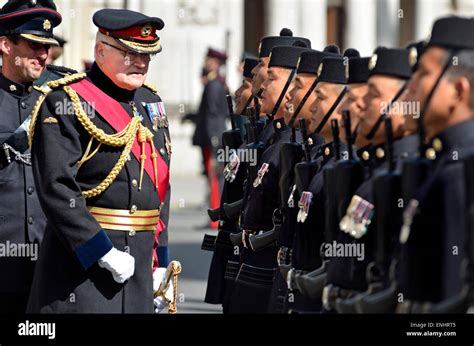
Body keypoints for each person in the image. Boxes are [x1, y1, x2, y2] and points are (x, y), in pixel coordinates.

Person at [27, 8, 173, 313]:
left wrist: (160, 259)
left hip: (141, 271)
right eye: (129, 53)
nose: (140, 63)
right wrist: (101, 251)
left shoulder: (150, 103)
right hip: (82, 274)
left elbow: (160, 186)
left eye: (147, 55)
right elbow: (57, 188)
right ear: (101, 50)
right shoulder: (65, 101)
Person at [396, 16, 474, 312]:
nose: (410, 85)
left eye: (423, 74)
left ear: (458, 91)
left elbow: (454, 296)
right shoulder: (442, 162)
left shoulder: (461, 170)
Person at [0, 0, 61, 314]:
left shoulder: (61, 96)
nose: (43, 54)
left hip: (51, 259)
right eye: (34, 45)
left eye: (46, 46)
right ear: (6, 45)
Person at [192, 47, 229, 229]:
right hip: (213, 136)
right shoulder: (217, 82)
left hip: (213, 137)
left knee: (215, 176)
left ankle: (215, 218)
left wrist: (214, 139)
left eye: (209, 60)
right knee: (212, 176)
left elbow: (214, 114)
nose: (206, 62)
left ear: (215, 63)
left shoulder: (214, 85)